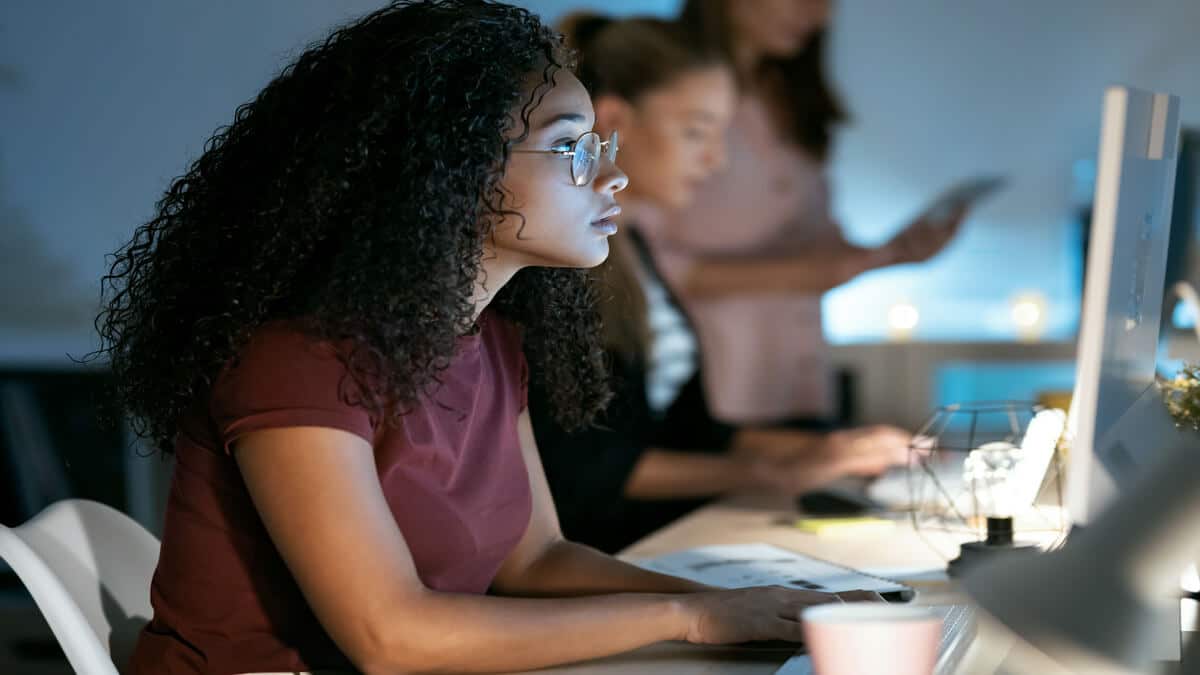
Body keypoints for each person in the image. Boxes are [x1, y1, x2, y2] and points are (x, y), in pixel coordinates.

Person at [92, 2, 877, 673]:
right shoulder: (295, 358)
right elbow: (389, 636)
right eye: (573, 147)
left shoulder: (494, 342)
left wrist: (736, 606)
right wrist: (688, 618)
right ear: (448, 169)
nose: (612, 177)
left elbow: (536, 560)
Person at [531, 13, 911, 554]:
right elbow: (588, 467)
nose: (715, 160)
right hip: (608, 549)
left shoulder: (630, 252)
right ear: (616, 120)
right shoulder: (569, 269)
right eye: (696, 132)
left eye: (721, 134)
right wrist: (768, 473)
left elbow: (685, 428)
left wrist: (830, 448)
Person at [636, 0, 966, 428]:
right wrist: (824, 270)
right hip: (702, 381)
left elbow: (818, 239)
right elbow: (645, 258)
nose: (820, 14)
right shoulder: (665, 88)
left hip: (798, 378)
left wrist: (892, 252)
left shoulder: (789, 95)